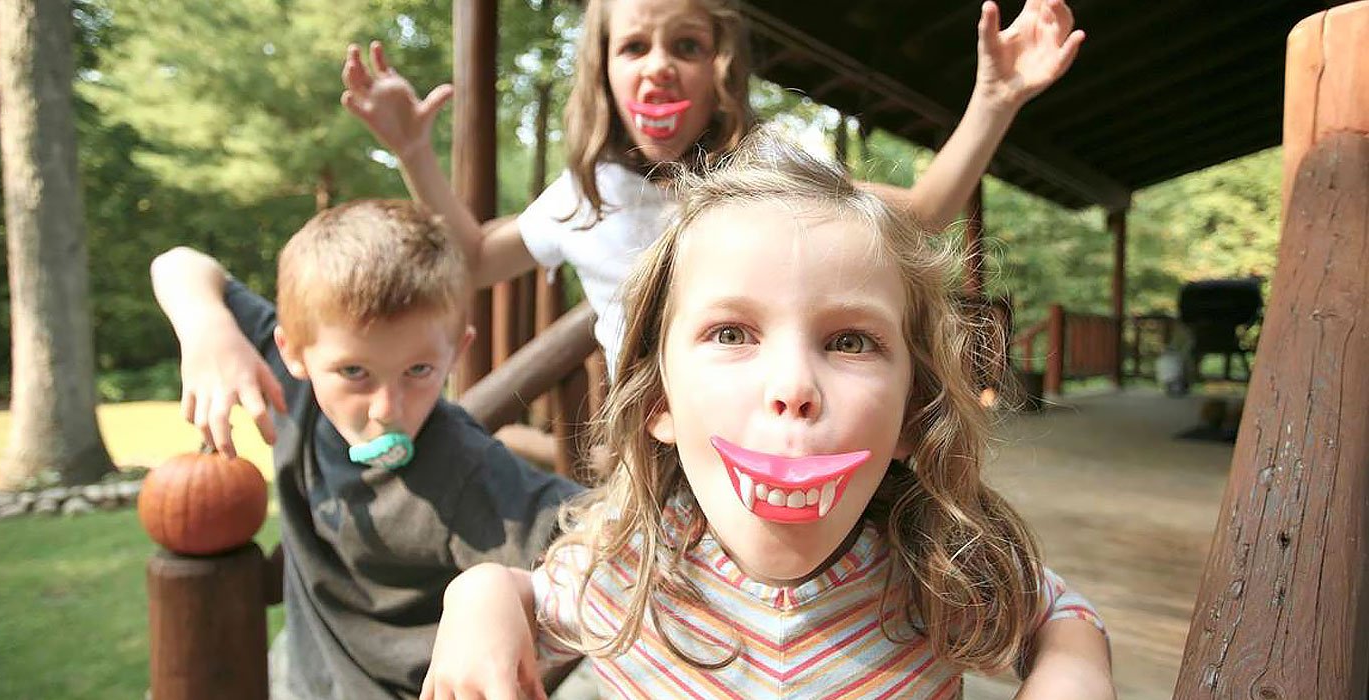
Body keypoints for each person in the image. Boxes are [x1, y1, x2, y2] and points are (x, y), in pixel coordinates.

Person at [420, 132, 1114, 699]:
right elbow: (525, 595)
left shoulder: (942, 573)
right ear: (658, 399)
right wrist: (478, 596)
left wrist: (1072, 670)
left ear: (914, 412)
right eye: (730, 334)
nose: (793, 386)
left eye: (850, 341)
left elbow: (1062, 616)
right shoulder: (626, 572)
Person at [340, 0, 1085, 373]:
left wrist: (995, 99)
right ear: (605, 70)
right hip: (649, 458)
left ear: (719, 68)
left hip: (767, 437)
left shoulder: (765, 165)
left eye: (686, 46)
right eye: (634, 45)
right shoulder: (584, 193)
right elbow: (471, 259)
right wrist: (413, 150)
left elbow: (924, 213)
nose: (658, 64)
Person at [149, 199, 582, 699]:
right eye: (355, 373)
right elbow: (178, 263)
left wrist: (491, 593)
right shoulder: (294, 395)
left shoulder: (466, 468)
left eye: (419, 371)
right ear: (293, 353)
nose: (385, 408)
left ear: (456, 352)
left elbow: (608, 544)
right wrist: (208, 327)